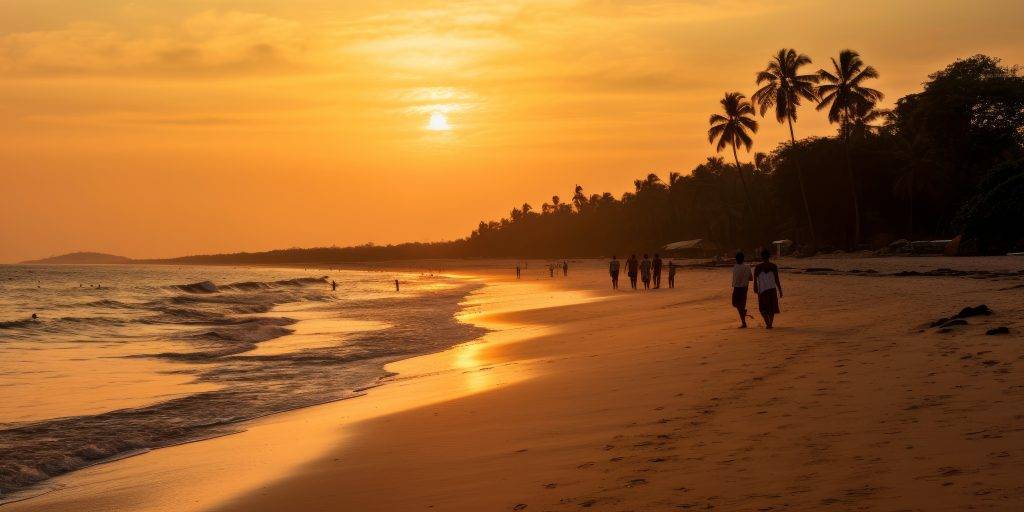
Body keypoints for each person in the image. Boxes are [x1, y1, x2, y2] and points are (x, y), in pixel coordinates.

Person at [753, 249, 782, 328]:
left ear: (761, 257)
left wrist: (755, 287)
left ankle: (767, 324)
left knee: (763, 308)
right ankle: (770, 324)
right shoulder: (773, 266)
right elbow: (777, 279)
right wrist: (780, 290)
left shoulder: (758, 267)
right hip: (772, 289)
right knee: (771, 308)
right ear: (769, 257)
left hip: (762, 290)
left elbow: (755, 280)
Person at [731, 252, 752, 328]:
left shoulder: (735, 266)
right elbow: (751, 278)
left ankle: (744, 322)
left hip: (737, 288)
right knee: (741, 305)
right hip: (744, 288)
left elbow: (734, 278)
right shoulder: (747, 266)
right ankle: (743, 321)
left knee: (736, 304)